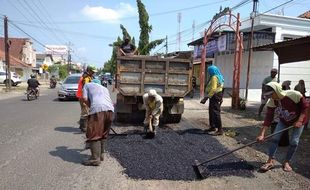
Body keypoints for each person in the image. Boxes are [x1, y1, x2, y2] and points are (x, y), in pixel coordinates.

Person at [256, 82, 309, 172]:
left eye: (271, 94)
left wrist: (299, 120)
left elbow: (305, 107)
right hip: (284, 120)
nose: (270, 97)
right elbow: (268, 118)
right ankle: (270, 161)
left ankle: (287, 162)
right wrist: (262, 134)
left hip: (299, 121)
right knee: (275, 139)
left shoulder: (294, 95)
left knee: (294, 142)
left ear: (277, 91)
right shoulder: (272, 101)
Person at [82, 79, 114, 166]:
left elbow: (84, 98)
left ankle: (95, 159)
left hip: (97, 110)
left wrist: (91, 106)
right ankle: (101, 155)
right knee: (103, 133)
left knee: (94, 134)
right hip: (110, 110)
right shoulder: (105, 88)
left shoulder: (87, 85)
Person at [200, 65, 224, 136]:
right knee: (211, 111)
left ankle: (220, 130)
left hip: (214, 96)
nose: (209, 72)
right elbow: (221, 87)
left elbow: (213, 89)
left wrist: (206, 97)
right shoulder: (220, 76)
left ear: (212, 71)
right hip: (217, 95)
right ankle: (212, 126)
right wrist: (221, 97)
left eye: (209, 71)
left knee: (215, 112)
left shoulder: (214, 77)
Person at [76, 65, 97, 132]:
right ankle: (84, 128)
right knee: (85, 112)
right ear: (89, 71)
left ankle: (81, 125)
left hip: (82, 96)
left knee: (84, 111)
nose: (93, 73)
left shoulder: (86, 76)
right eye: (92, 72)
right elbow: (86, 89)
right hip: (83, 97)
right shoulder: (86, 78)